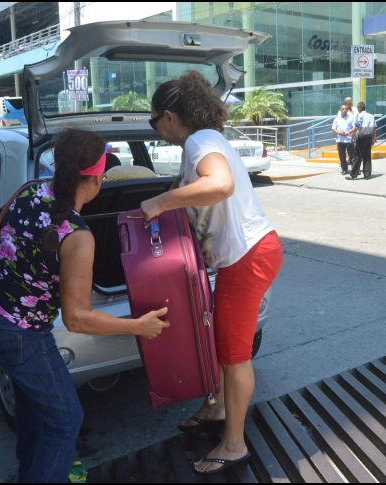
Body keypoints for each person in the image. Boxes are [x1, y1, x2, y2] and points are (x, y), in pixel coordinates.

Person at [0, 129, 170, 483]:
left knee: (35, 405)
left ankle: (31, 472)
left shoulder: (30, 192)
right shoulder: (77, 235)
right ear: (96, 179)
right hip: (20, 333)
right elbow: (76, 319)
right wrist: (137, 326)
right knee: (66, 420)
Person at [140, 71, 283, 475]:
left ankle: (234, 444)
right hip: (248, 252)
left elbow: (219, 185)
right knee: (221, 342)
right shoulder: (206, 141)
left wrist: (162, 201)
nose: (157, 129)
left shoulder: (200, 141)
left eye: (154, 122)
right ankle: (217, 407)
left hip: (247, 256)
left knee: (235, 355)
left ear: (169, 116)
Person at [350, 101, 376, 180]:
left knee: (357, 156)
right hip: (369, 137)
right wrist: (373, 138)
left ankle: (354, 175)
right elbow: (374, 128)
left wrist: (352, 134)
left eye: (358, 108)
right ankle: (367, 175)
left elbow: (357, 126)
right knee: (367, 156)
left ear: (360, 108)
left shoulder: (359, 115)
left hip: (361, 137)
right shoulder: (371, 116)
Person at [332, 103, 355, 174]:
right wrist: (339, 133)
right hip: (340, 140)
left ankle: (355, 170)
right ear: (340, 110)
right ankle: (344, 169)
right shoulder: (337, 118)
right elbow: (334, 128)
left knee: (352, 156)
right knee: (342, 156)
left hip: (349, 140)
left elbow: (355, 127)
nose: (344, 110)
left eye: (346, 109)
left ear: (347, 110)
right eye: (343, 109)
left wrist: (348, 133)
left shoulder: (351, 117)